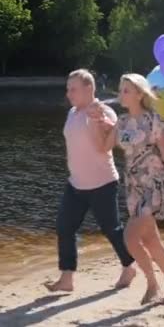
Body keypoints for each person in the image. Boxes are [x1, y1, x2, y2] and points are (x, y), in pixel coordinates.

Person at [89, 73, 164, 304]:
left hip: (153, 184)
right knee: (150, 241)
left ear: (140, 94)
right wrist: (99, 123)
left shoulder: (155, 120)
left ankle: (152, 283)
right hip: (133, 187)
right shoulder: (122, 122)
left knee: (130, 238)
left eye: (126, 90)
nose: (121, 94)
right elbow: (103, 147)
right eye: (120, 90)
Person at [44, 69, 136, 293]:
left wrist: (98, 120)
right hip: (76, 184)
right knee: (65, 227)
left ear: (89, 89)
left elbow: (105, 143)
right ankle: (67, 278)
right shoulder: (73, 113)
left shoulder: (105, 113)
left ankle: (130, 265)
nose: (68, 93)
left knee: (111, 229)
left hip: (102, 184)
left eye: (73, 89)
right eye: (67, 89)